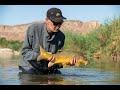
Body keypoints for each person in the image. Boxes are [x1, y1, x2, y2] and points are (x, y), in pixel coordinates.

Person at [18, 7, 77, 75]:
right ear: (47, 20)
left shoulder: (61, 36)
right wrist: (42, 55)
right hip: (29, 66)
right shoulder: (33, 29)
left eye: (60, 23)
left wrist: (67, 62)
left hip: (47, 68)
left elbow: (58, 59)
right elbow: (25, 53)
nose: (58, 26)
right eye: (55, 23)